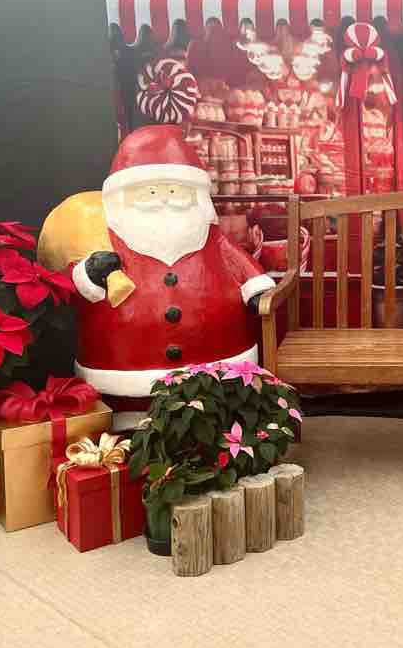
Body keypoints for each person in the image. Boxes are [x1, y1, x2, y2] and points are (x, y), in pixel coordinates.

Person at [39, 125, 274, 429]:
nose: (164, 200)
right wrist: (89, 273)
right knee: (128, 423)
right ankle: (131, 422)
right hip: (123, 369)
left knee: (214, 410)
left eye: (175, 192)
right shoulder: (102, 236)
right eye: (150, 193)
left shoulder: (212, 237)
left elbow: (240, 263)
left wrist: (256, 290)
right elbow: (73, 281)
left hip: (218, 363)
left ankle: (213, 418)